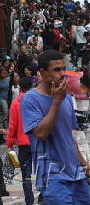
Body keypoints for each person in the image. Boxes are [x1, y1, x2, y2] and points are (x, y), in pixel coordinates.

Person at [20, 50, 90, 204]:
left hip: (76, 173)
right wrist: (56, 102)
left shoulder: (67, 98)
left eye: (63, 69)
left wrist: (85, 165)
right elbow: (40, 134)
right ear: (42, 72)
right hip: (53, 176)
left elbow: (69, 137)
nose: (62, 74)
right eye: (56, 70)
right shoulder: (30, 100)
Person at [7, 77, 34, 205]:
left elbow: (12, 125)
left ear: (20, 88)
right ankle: (43, 197)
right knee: (41, 170)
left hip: (23, 143)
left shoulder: (15, 103)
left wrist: (10, 142)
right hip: (37, 141)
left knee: (26, 174)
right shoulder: (36, 101)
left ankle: (29, 200)